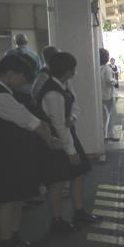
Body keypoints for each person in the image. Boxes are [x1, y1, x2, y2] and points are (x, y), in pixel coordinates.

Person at [0, 55, 61, 247]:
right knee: (8, 200)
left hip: (11, 155)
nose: (24, 82)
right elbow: (28, 120)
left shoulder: (3, 92)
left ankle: (14, 238)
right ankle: (6, 244)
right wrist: (49, 139)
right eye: (23, 77)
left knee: (16, 198)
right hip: (5, 157)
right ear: (10, 74)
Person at [37, 52, 101, 232]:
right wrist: (71, 152)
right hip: (55, 141)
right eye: (73, 68)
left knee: (79, 173)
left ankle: (79, 212)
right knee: (57, 181)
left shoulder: (64, 85)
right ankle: (57, 221)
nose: (74, 71)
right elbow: (58, 125)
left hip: (67, 136)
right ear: (68, 70)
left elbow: (75, 106)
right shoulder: (52, 93)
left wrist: (72, 118)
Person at [5, 33, 42, 103]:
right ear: (26, 41)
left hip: (15, 89)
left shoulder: (9, 53)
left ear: (15, 42)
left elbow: (4, 70)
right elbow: (39, 72)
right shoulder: (35, 54)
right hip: (30, 89)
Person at [99, 48, 118, 142]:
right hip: (108, 96)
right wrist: (115, 81)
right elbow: (109, 81)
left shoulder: (97, 68)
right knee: (110, 116)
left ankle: (104, 135)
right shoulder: (107, 68)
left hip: (100, 95)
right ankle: (109, 135)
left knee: (103, 117)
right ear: (106, 58)